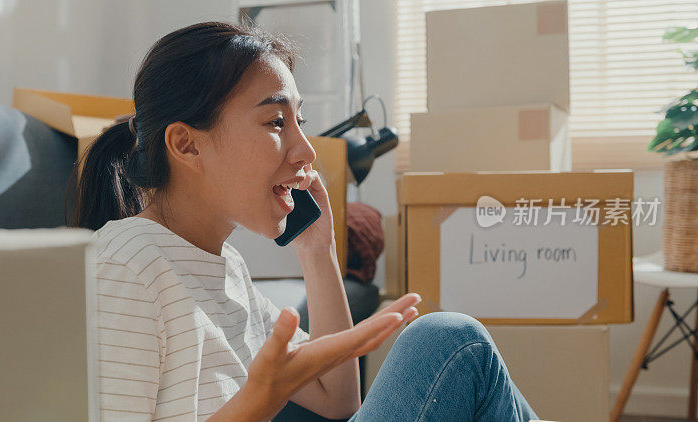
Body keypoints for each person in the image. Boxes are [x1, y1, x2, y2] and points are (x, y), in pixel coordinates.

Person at [69, 21, 538, 422]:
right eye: (276, 122)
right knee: (450, 343)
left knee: (451, 341)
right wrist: (259, 399)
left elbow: (339, 399)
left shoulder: (223, 268)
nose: (307, 150)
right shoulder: (128, 266)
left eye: (300, 121)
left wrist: (318, 250)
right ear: (187, 145)